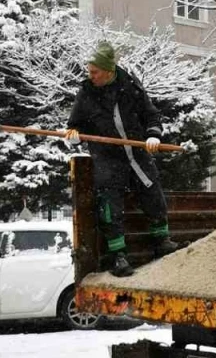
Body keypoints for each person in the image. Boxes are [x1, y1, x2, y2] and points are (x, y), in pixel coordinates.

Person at [66, 41, 179, 277]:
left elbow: (151, 115)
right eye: (89, 71)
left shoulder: (130, 86)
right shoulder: (87, 93)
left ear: (109, 71)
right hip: (107, 156)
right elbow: (74, 125)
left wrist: (153, 136)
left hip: (136, 151)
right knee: (109, 203)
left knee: (152, 189)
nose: (91, 76)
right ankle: (118, 256)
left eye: (95, 72)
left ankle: (162, 241)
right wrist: (74, 135)